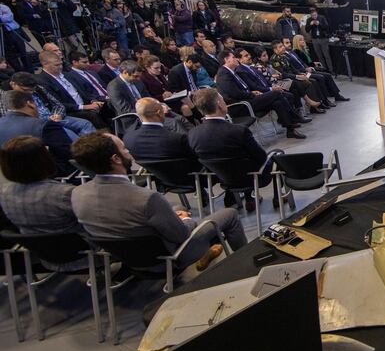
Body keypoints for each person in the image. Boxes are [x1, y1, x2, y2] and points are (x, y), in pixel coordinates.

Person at [70, 132, 246, 271]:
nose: (128, 152)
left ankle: (208, 252)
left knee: (176, 206)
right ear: (115, 159)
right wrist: (184, 219)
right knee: (229, 214)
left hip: (127, 256)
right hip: (169, 258)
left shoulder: (77, 194)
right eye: (124, 149)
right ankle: (246, 262)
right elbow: (182, 235)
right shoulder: (146, 198)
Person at [0, 136, 85, 271]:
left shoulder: (4, 194)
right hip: (85, 257)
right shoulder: (65, 193)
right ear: (44, 160)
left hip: (42, 257)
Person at [187, 89, 277, 211]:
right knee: (276, 158)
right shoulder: (239, 131)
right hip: (254, 178)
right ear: (219, 104)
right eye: (223, 100)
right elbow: (262, 158)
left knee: (231, 161)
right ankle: (278, 198)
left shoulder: (192, 134)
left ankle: (242, 197)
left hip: (222, 178)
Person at [215, 49, 306, 138]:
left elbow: (240, 90)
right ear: (226, 60)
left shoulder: (230, 71)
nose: (236, 59)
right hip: (241, 106)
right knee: (276, 93)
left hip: (247, 99)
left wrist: (251, 92)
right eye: (233, 57)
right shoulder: (224, 74)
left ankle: (290, 129)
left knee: (277, 102)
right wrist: (252, 94)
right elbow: (235, 94)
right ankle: (294, 117)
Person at [0, 90, 74, 175]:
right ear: (30, 104)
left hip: (9, 177)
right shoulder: (45, 125)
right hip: (49, 176)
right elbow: (69, 153)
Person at [108, 60, 191, 134]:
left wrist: (160, 104)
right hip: (135, 119)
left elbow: (149, 98)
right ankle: (188, 147)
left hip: (151, 112)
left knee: (180, 119)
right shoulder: (114, 87)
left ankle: (195, 140)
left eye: (139, 76)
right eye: (135, 76)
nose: (138, 79)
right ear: (125, 72)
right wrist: (154, 111)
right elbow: (125, 110)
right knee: (174, 123)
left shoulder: (138, 81)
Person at [7, 72, 94, 137]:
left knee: (85, 124)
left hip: (53, 117)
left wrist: (57, 114)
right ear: (13, 84)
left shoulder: (38, 89)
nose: (30, 93)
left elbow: (58, 105)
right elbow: (10, 118)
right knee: (67, 133)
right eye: (26, 90)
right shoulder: (7, 98)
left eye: (32, 90)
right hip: (36, 124)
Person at [36, 51, 107, 129]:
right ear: (45, 64)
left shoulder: (68, 75)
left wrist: (92, 101)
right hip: (69, 111)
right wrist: (84, 107)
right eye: (56, 65)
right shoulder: (42, 81)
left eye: (61, 64)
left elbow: (83, 92)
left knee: (107, 106)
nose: (60, 67)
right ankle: (104, 137)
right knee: (92, 116)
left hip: (86, 104)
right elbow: (57, 104)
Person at [234, 47, 312, 116]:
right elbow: (255, 85)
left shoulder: (257, 66)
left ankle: (298, 112)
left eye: (248, 54)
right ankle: (305, 105)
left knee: (295, 88)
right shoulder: (252, 68)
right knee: (294, 84)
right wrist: (272, 87)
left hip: (274, 83)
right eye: (246, 56)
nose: (249, 56)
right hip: (269, 88)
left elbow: (268, 78)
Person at [125, 98, 199, 164]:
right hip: (190, 175)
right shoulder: (177, 139)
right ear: (160, 113)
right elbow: (194, 156)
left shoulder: (128, 139)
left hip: (155, 176)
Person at [253, 47, 324, 114]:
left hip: (281, 79)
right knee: (297, 84)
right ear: (259, 58)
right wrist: (277, 76)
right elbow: (267, 79)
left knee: (301, 86)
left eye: (266, 54)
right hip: (275, 84)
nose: (266, 57)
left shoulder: (277, 60)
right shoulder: (260, 66)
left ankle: (304, 109)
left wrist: (300, 73)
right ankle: (309, 102)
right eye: (264, 56)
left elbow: (284, 71)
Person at [281, 37, 349, 102]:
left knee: (327, 75)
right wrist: (305, 70)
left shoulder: (292, 52)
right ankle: (324, 99)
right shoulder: (286, 56)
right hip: (301, 73)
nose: (289, 44)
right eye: (287, 43)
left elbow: (302, 62)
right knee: (320, 77)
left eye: (289, 42)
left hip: (306, 70)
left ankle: (337, 95)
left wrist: (307, 67)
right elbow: (294, 68)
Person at [269, 40, 333, 107]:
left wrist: (300, 74)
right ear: (275, 50)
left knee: (313, 80)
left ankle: (321, 101)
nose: (283, 47)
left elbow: (293, 69)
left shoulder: (284, 56)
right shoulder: (274, 60)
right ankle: (314, 105)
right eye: (280, 47)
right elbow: (283, 74)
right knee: (311, 81)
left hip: (294, 75)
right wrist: (297, 76)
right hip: (286, 79)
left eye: (282, 46)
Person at [0, 0, 33, 72]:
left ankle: (30, 71)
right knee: (9, 56)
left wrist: (1, 17)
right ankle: (20, 72)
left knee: (23, 53)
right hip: (3, 36)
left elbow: (9, 18)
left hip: (13, 32)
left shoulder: (3, 7)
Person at [305, 7, 334, 73]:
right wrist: (310, 25)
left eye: (315, 15)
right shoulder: (309, 20)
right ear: (310, 15)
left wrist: (319, 24)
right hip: (315, 39)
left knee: (326, 55)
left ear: (317, 14)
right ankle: (324, 69)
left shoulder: (322, 18)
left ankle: (331, 70)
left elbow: (327, 27)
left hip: (323, 39)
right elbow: (307, 30)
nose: (314, 17)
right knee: (319, 55)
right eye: (312, 16)